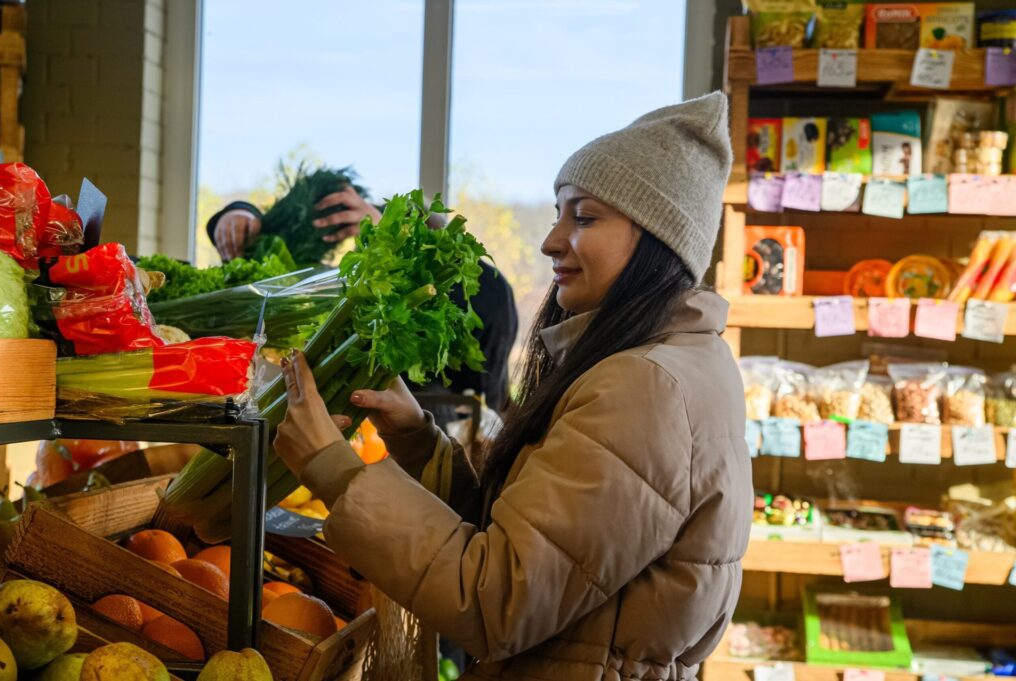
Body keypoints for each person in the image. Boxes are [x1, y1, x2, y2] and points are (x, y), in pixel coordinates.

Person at [273, 92, 752, 681]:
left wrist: (333, 469)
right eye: (558, 213)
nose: (552, 241)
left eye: (584, 216)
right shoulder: (680, 359)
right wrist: (420, 443)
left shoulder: (643, 387)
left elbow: (498, 599)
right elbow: (540, 551)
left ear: (657, 239)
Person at [205, 181, 518, 416]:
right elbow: (283, 230)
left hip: (436, 439)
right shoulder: (355, 286)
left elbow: (480, 407)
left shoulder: (488, 291)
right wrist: (237, 214)